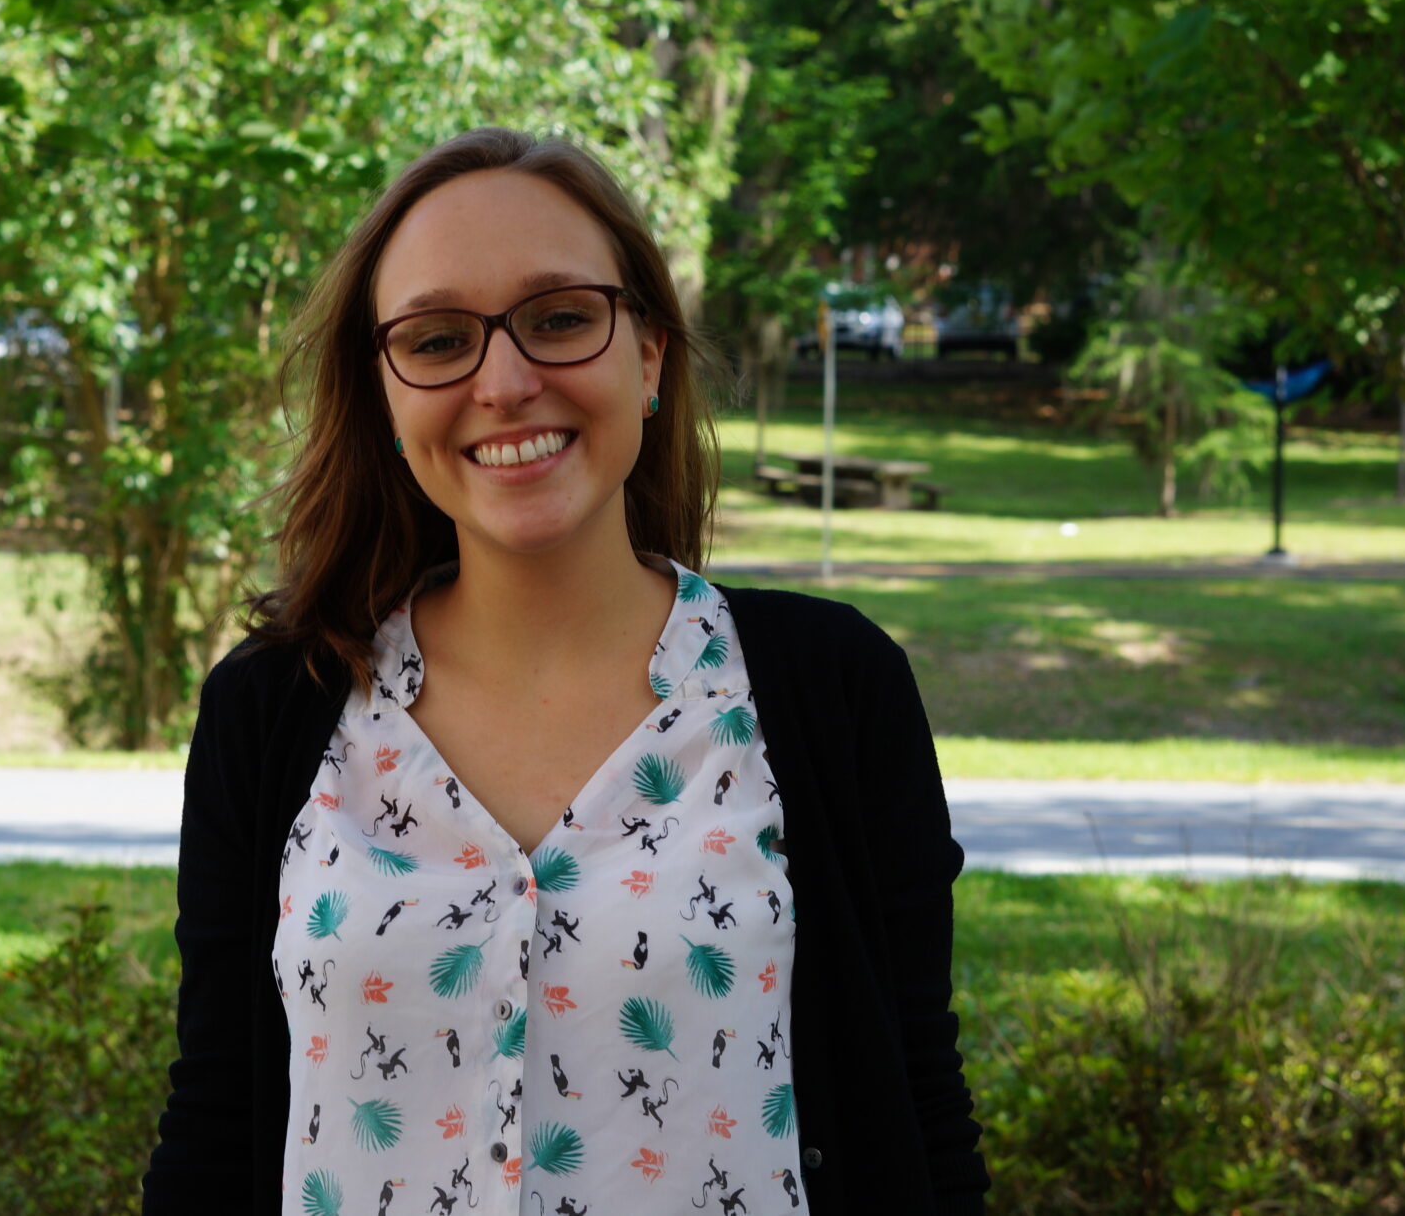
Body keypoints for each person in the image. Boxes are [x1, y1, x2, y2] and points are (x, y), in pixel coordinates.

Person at [141, 127, 989, 1215]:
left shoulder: (830, 690)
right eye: (439, 339)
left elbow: (917, 1105)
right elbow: (215, 1119)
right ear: (388, 397)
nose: (504, 380)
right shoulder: (274, 711)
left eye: (557, 319)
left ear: (646, 352)